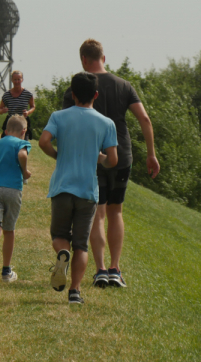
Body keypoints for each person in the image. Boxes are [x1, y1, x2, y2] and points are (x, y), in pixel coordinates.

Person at [62, 39, 160, 288]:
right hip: (122, 156)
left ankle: (101, 270)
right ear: (103, 58)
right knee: (116, 211)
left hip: (93, 158)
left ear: (84, 60)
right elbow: (145, 119)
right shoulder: (124, 85)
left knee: (98, 213)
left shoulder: (75, 90)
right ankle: (116, 269)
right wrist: (151, 154)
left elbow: (69, 126)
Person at [39, 72, 118, 304]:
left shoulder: (58, 116)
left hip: (62, 187)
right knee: (82, 245)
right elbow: (113, 160)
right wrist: (99, 158)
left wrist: (57, 155)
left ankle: (62, 255)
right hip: (87, 191)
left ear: (72, 94)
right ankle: (75, 292)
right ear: (96, 95)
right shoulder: (106, 123)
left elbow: (43, 141)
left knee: (59, 236)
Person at [0, 114, 32, 284]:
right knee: (9, 230)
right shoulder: (21, 143)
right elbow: (23, 155)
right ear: (23, 131)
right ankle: (6, 271)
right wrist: (25, 171)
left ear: (5, 131)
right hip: (13, 189)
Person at [0, 70, 36, 139]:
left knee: (23, 143)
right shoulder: (6, 95)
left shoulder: (28, 94)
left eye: (19, 79)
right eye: (15, 80)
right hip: (11, 122)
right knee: (7, 141)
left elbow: (33, 106)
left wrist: (28, 112)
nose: (17, 82)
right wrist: (2, 111)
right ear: (12, 80)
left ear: (22, 80)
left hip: (22, 121)